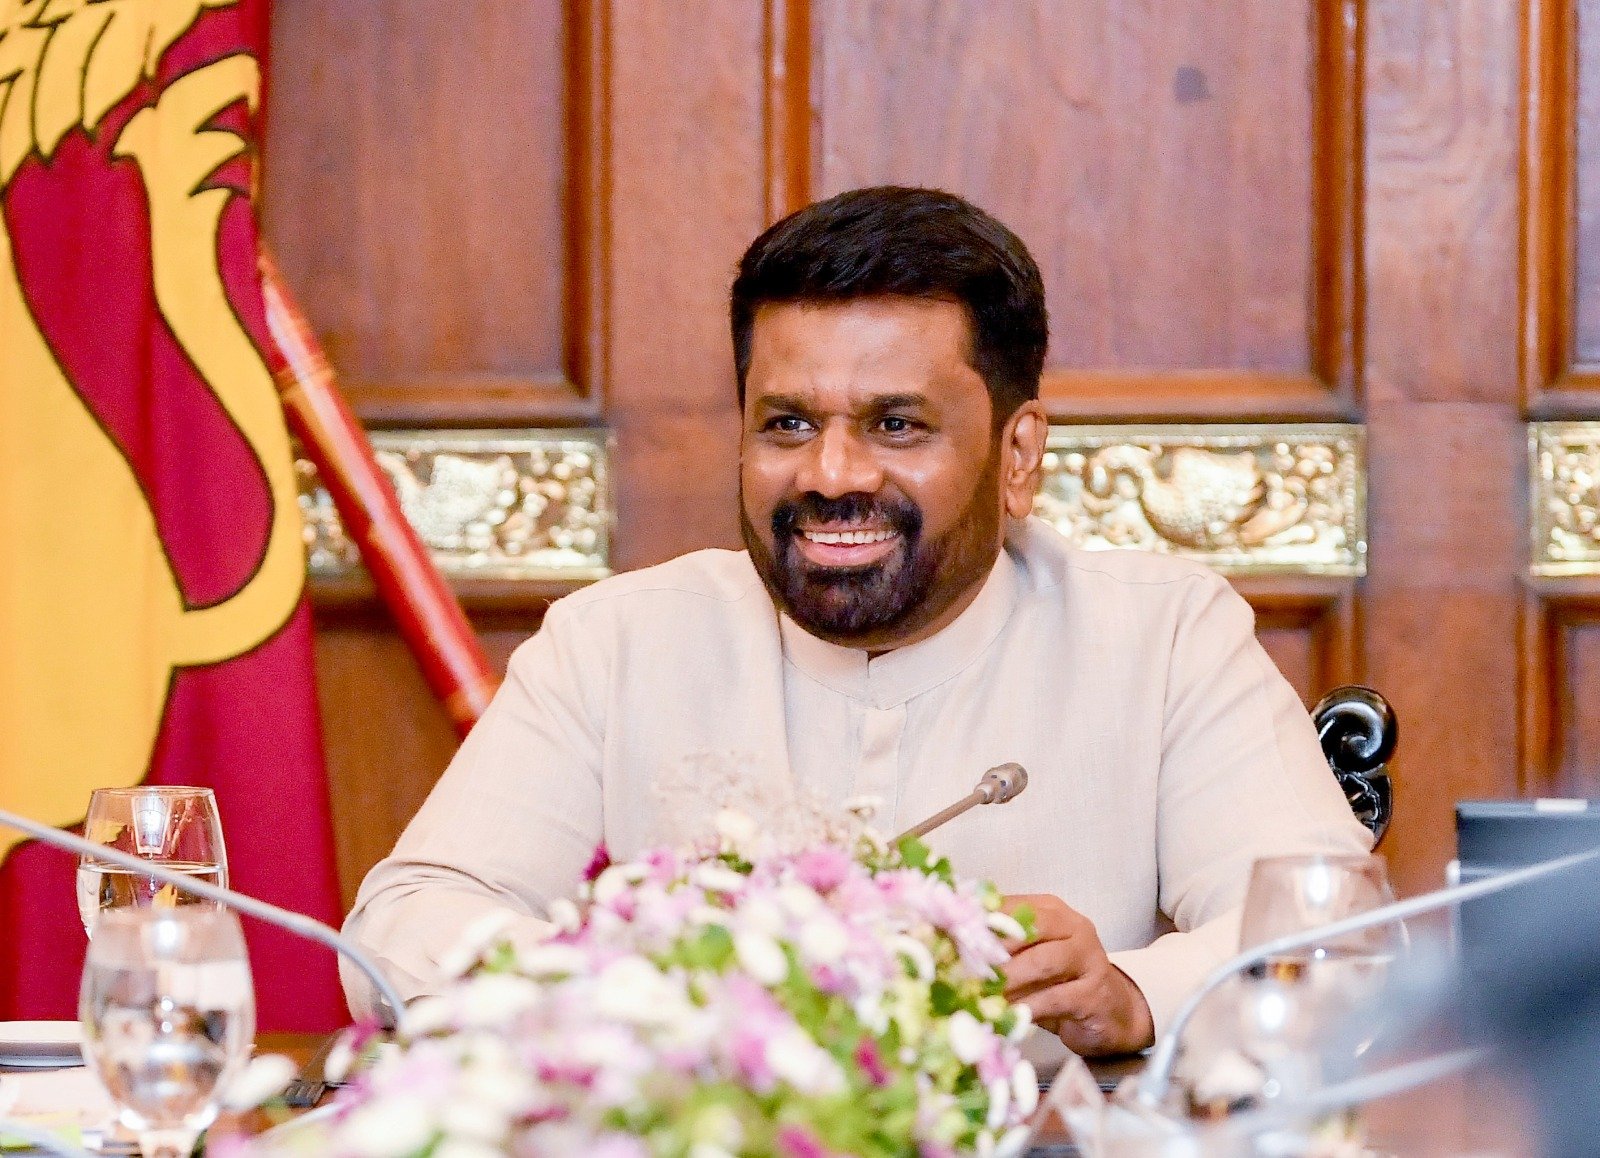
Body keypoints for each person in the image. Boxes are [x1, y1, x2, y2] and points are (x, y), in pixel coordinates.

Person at [343, 186, 1371, 1055]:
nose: (832, 475)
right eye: (787, 423)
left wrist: (1136, 994)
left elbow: (1343, 940)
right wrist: (644, 990)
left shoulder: (1164, 638)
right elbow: (407, 922)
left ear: (1017, 456)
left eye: (897, 425)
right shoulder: (615, 643)